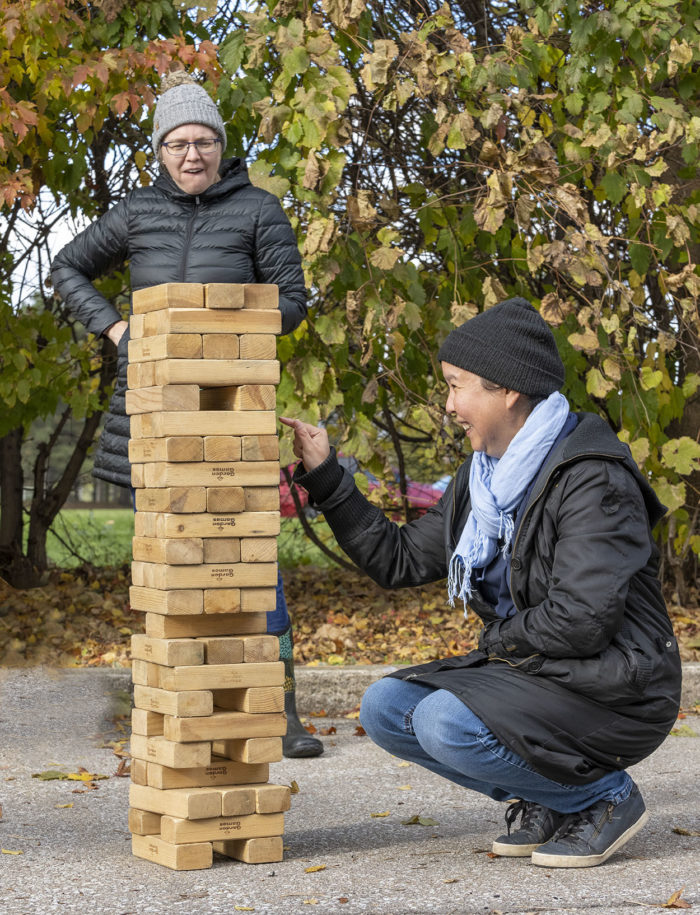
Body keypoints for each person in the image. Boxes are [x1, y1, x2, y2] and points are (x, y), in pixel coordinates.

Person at [281, 296, 682, 867]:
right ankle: (553, 799)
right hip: (542, 669)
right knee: (386, 706)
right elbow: (397, 559)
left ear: (507, 390)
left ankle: (602, 798)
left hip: (618, 687)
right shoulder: (484, 479)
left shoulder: (593, 479)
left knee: (446, 721)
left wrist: (494, 645)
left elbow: (583, 619)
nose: (448, 405)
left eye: (456, 385)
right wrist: (326, 476)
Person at [51, 71, 322, 758]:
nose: (191, 154)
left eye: (202, 140)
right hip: (154, 413)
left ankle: (277, 705)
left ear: (221, 145)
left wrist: (228, 324)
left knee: (249, 555)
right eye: (177, 143)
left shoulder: (259, 210)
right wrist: (118, 332)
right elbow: (67, 267)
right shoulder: (138, 211)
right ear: (161, 150)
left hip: (231, 409)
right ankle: (172, 700)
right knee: (169, 558)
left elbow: (291, 301)